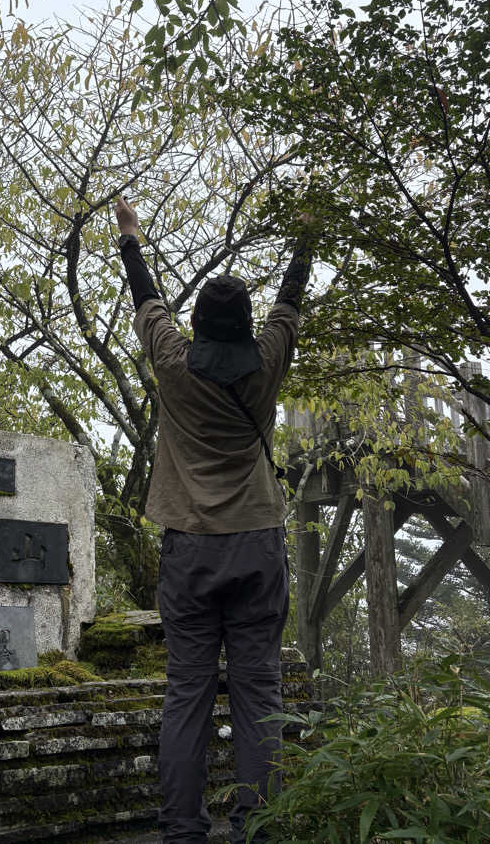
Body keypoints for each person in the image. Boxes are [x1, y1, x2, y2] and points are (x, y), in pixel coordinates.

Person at [114, 195, 315, 844]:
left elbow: (147, 303)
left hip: (191, 548)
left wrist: (131, 237)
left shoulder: (173, 364)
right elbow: (291, 299)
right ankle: (259, 826)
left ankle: (183, 831)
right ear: (249, 323)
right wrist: (307, 238)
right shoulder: (269, 361)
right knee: (260, 694)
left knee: (188, 694)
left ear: (196, 321)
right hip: (257, 544)